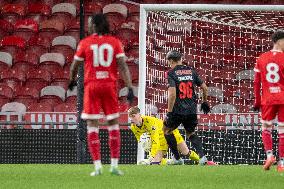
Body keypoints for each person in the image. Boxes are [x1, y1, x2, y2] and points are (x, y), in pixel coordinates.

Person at [68, 13, 134, 176]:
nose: (88, 26)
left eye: (90, 23)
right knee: (113, 124)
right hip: (109, 86)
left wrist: (71, 80)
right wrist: (130, 87)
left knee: (92, 125)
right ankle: (114, 166)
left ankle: (97, 166)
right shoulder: (114, 42)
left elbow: (75, 65)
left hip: (92, 87)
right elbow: (123, 67)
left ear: (95, 25)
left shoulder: (85, 43)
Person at [163, 50, 216, 166]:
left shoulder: (171, 73)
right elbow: (205, 88)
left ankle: (177, 159)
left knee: (166, 130)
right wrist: (205, 101)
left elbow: (172, 94)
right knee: (191, 133)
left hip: (177, 110)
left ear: (171, 61)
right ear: (181, 59)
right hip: (191, 109)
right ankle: (202, 157)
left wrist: (169, 112)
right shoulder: (191, 71)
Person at [253, 30, 284, 172]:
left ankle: (269, 155)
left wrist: (257, 102)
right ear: (278, 41)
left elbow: (256, 82)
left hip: (267, 99)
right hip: (283, 99)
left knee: (266, 128)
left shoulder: (261, 58)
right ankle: (282, 163)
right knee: (282, 130)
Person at [128, 106, 200, 165]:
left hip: (170, 132)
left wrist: (151, 156)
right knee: (155, 163)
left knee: (185, 152)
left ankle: (200, 160)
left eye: (133, 116)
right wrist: (146, 147)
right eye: (130, 117)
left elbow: (155, 140)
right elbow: (140, 139)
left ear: (139, 115)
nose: (131, 119)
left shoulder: (150, 122)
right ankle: (170, 162)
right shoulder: (133, 127)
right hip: (160, 137)